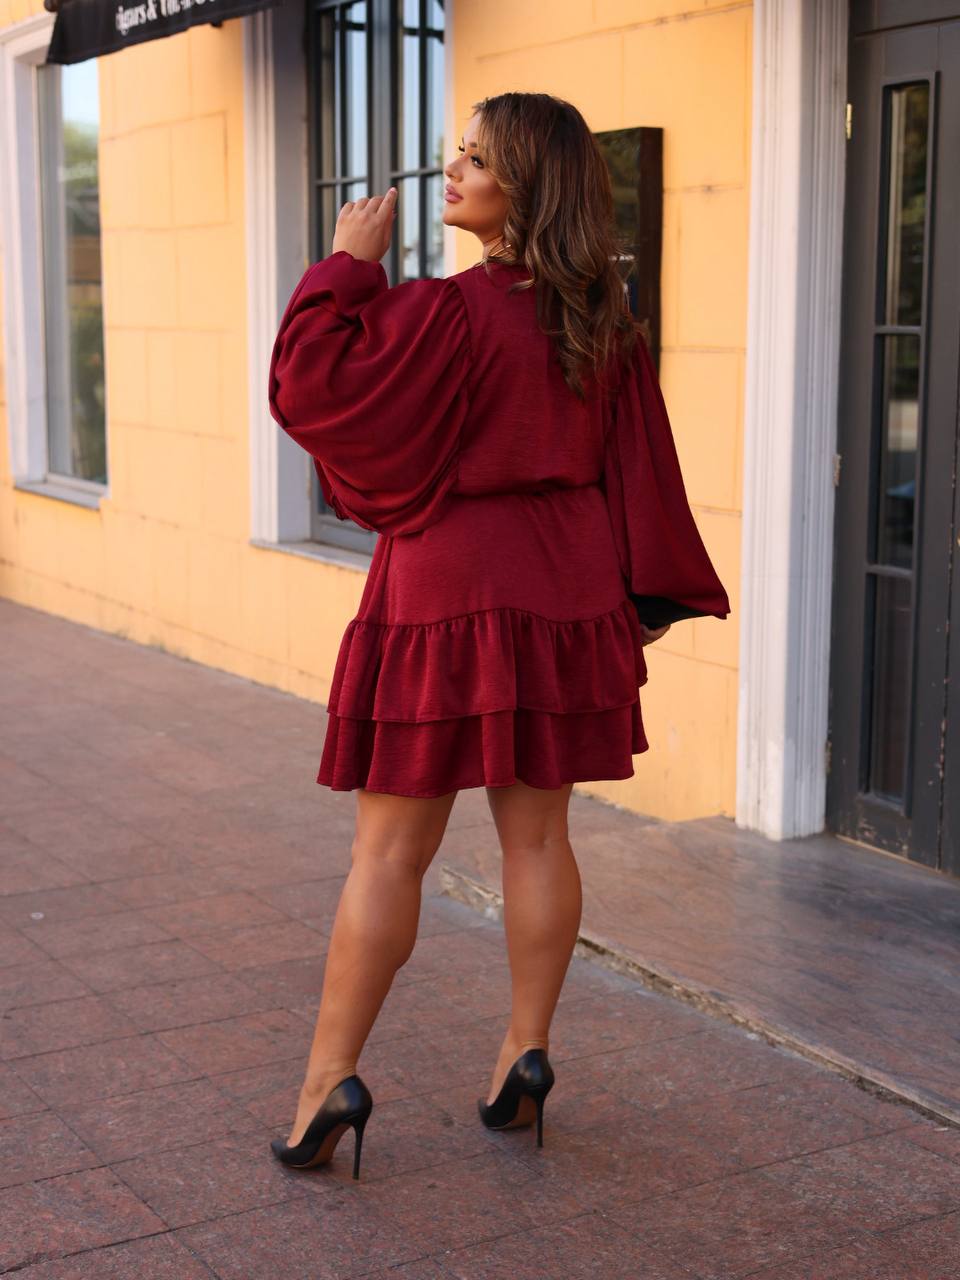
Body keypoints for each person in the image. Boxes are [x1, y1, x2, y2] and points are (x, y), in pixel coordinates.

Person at [266, 92, 730, 1179]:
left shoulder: (443, 312)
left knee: (389, 851)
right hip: (563, 586)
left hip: (446, 585)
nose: (452, 171)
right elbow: (642, 470)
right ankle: (526, 1053)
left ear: (527, 185)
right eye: (458, 154)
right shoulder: (603, 324)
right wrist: (637, 602)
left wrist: (345, 269)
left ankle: (327, 1081)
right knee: (539, 841)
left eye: (475, 158)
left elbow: (310, 388)